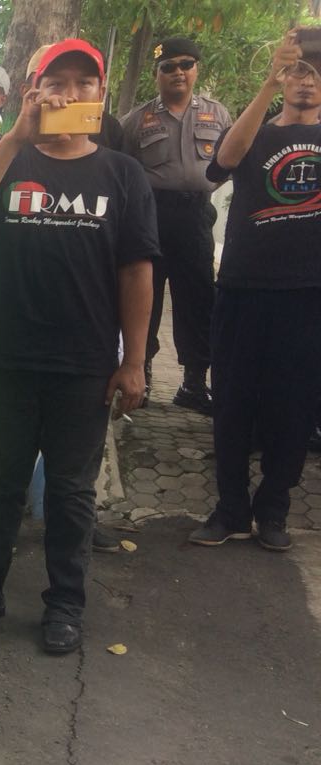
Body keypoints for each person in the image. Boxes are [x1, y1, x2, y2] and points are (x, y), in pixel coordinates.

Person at [0, 39, 158, 655]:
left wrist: (134, 362)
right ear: (34, 91)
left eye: (84, 83)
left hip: (84, 363)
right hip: (10, 356)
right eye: (56, 82)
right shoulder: (9, 160)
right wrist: (15, 139)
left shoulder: (122, 174)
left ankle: (65, 605)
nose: (70, 93)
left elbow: (137, 271)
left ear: (100, 95)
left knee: (71, 492)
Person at [188, 32, 321, 552]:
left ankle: (274, 508)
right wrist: (267, 84)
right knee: (232, 402)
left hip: (308, 294)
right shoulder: (257, 132)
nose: (306, 81)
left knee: (294, 406)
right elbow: (222, 162)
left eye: (316, 72)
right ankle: (230, 509)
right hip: (243, 288)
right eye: (298, 71)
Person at [121, 37, 231, 414]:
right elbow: (123, 169)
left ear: (197, 69)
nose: (178, 72)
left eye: (186, 64)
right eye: (168, 67)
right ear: (157, 74)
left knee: (198, 297)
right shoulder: (137, 120)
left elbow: (232, 159)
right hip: (150, 215)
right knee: (145, 296)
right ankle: (142, 374)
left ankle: (194, 384)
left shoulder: (218, 115)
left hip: (196, 215)